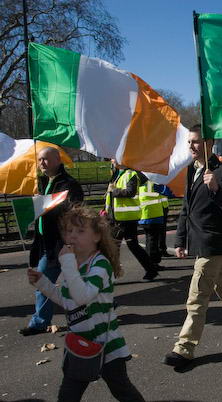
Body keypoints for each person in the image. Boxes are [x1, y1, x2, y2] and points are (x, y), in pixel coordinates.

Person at [163, 124, 222, 369]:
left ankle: (184, 347)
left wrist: (216, 189)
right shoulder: (189, 171)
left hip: (213, 242)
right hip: (196, 241)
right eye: (190, 142)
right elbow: (187, 208)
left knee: (197, 296)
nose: (191, 146)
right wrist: (180, 240)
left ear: (209, 145)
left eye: (196, 142)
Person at [26, 206, 144, 401]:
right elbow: (67, 301)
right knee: (68, 395)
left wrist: (68, 264)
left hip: (106, 345)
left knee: (123, 391)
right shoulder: (72, 265)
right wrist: (42, 282)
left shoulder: (100, 264)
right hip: (80, 344)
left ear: (96, 236)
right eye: (69, 231)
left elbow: (82, 296)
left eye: (80, 231)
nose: (73, 236)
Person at [20, 147, 84, 336]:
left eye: (46, 159)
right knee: (47, 281)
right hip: (44, 243)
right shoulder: (40, 183)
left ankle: (40, 322)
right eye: (40, 160)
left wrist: (46, 205)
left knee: (46, 280)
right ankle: (41, 321)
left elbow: (75, 210)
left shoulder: (69, 183)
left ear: (57, 159)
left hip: (62, 243)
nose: (42, 163)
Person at [105, 160, 158, 281]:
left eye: (115, 158)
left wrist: (114, 191)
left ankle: (112, 275)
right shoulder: (117, 174)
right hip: (116, 218)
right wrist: (106, 211)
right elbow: (109, 196)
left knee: (120, 246)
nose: (112, 160)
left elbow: (131, 192)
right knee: (122, 246)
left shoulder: (131, 174)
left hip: (126, 218)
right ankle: (150, 270)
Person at [138, 180, 173, 269]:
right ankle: (153, 264)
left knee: (149, 240)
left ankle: (149, 263)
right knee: (153, 241)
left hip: (145, 214)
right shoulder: (154, 183)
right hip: (154, 214)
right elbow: (167, 192)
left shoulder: (142, 183)